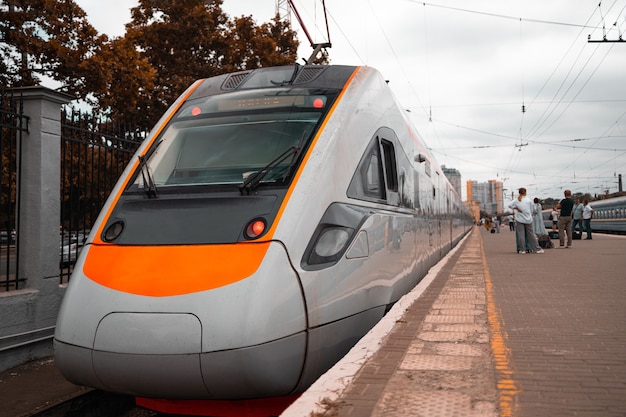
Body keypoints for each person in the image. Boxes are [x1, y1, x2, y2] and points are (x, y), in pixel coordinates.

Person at [508, 187, 544, 254]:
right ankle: (537, 249)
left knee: (521, 235)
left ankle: (522, 250)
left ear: (519, 192)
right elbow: (532, 210)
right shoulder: (529, 200)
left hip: (519, 220)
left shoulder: (516, 200)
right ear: (525, 192)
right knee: (531, 235)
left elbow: (509, 205)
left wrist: (516, 208)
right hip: (528, 220)